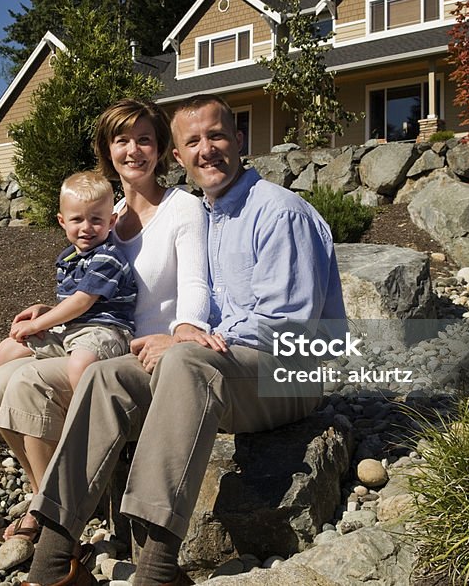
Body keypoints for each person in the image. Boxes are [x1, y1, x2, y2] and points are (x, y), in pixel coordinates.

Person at [21, 94, 346, 586]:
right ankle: (52, 562)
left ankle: (156, 571)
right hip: (231, 368)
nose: (206, 150)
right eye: (192, 142)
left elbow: (289, 327)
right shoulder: (206, 214)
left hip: (289, 373)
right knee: (108, 377)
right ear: (178, 157)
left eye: (216, 136)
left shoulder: (280, 213)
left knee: (186, 364)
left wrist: (190, 340)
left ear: (239, 140)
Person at [0, 99, 213, 545]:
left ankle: (54, 523)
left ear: (161, 148)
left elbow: (196, 285)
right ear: (107, 150)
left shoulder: (182, 209)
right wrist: (44, 313)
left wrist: (185, 331)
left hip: (138, 352)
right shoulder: (109, 215)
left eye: (144, 139)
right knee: (0, 380)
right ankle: (43, 497)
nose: (133, 150)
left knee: (28, 384)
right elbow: (87, 288)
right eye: (121, 140)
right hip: (95, 338)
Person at [0, 170, 137, 392]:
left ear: (111, 221)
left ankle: (84, 418)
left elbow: (82, 302)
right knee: (7, 350)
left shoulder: (109, 257)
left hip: (104, 331)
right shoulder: (68, 258)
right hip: (70, 330)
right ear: (62, 221)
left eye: (96, 220)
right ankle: (1, 420)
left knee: (80, 364)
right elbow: (71, 307)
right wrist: (46, 311)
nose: (86, 227)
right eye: (77, 219)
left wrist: (38, 325)